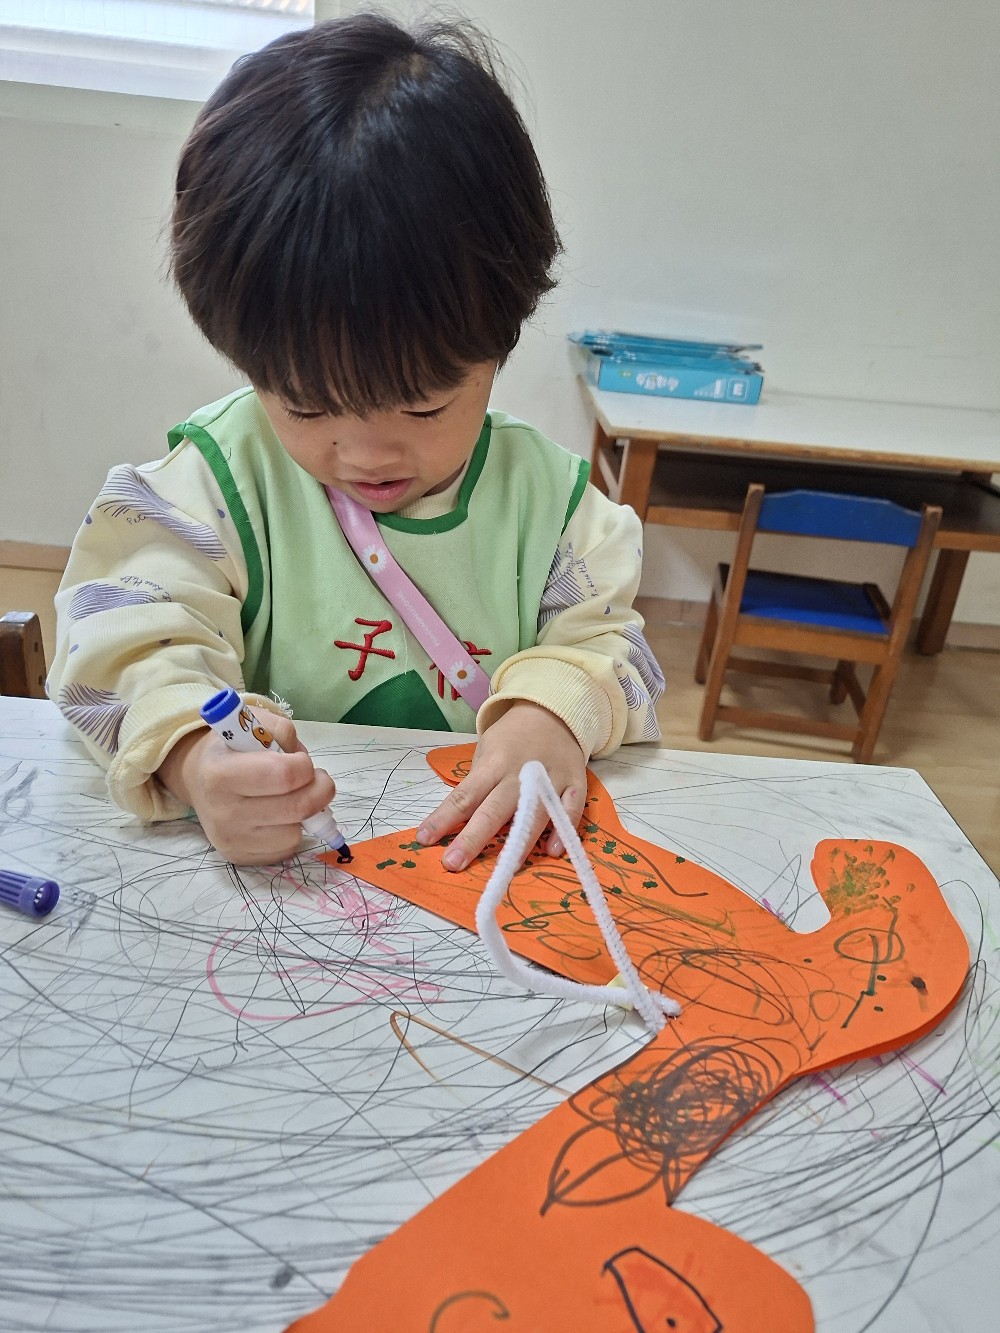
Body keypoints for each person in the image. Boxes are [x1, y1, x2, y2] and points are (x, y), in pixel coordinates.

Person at [49, 12, 664, 868]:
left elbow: (614, 649)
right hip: (288, 885)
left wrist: (552, 713)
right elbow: (118, 640)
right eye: (306, 406)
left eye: (423, 407)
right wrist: (191, 752)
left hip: (471, 885)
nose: (368, 455)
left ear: (500, 343)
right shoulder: (216, 487)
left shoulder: (553, 509)